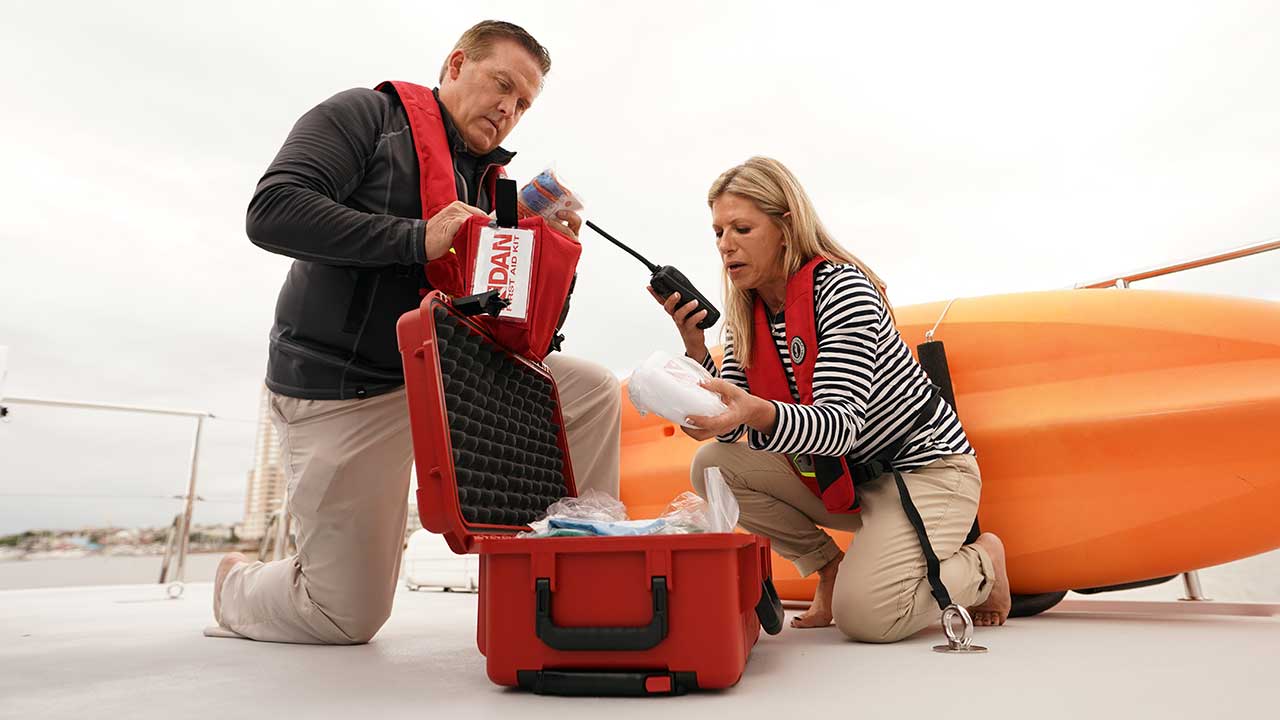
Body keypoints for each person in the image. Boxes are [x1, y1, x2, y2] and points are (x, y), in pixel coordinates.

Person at [212, 21, 621, 645]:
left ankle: (578, 574)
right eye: (501, 84)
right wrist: (415, 237)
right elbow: (273, 210)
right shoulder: (365, 116)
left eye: (523, 103)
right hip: (344, 389)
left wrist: (552, 252)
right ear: (456, 65)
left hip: (446, 380)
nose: (509, 109)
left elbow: (523, 335)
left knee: (589, 388)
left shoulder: (493, 189)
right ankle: (236, 584)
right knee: (343, 618)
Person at [653, 156, 1010, 642]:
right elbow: (738, 429)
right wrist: (695, 349)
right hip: (848, 481)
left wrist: (755, 411)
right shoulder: (746, 317)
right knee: (713, 463)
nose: (725, 245)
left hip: (925, 472)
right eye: (717, 232)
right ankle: (830, 567)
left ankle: (982, 562)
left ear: (785, 226)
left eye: (741, 228)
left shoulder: (844, 290)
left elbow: (840, 426)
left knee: (867, 619)